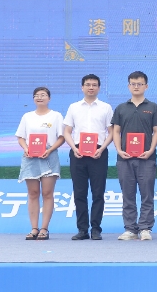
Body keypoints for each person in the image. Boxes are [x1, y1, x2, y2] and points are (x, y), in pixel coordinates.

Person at [111, 71, 157, 241]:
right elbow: (116, 131)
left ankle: (145, 228)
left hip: (146, 158)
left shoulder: (153, 107)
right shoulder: (121, 108)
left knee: (147, 194)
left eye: (139, 84)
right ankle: (130, 229)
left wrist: (151, 150)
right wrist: (119, 150)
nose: (136, 86)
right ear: (128, 86)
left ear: (146, 86)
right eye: (133, 84)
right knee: (128, 195)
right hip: (124, 158)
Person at [63, 74, 113, 241]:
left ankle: (96, 229)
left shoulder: (106, 107)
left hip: (99, 152)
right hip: (78, 152)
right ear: (82, 87)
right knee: (79, 192)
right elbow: (67, 131)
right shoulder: (74, 107)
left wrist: (102, 149)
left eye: (94, 85)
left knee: (98, 192)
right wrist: (74, 148)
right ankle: (82, 229)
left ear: (99, 88)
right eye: (88, 84)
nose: (91, 87)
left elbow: (111, 132)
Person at [15, 86, 65, 241]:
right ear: (33, 99)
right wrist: (26, 148)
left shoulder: (56, 116)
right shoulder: (27, 116)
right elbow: (20, 137)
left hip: (49, 156)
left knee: (47, 193)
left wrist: (50, 150)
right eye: (36, 95)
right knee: (33, 193)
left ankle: (44, 229)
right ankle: (34, 228)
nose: (39, 97)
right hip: (30, 157)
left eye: (43, 95)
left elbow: (62, 137)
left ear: (49, 98)